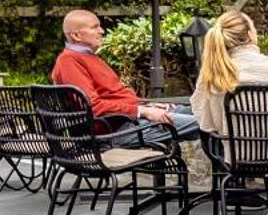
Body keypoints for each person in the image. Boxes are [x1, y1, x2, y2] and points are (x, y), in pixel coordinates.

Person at [191, 8, 268, 215]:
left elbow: (207, 123)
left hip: (238, 158)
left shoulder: (213, 75)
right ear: (251, 35)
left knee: (241, 140)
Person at [51, 9, 200, 144]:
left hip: (128, 121)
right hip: (115, 131)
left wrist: (145, 105)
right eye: (94, 27)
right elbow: (93, 107)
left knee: (206, 112)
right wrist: (144, 111)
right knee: (207, 124)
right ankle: (220, 172)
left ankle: (220, 171)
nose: (102, 31)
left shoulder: (88, 57)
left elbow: (112, 98)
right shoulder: (69, 61)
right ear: (76, 35)